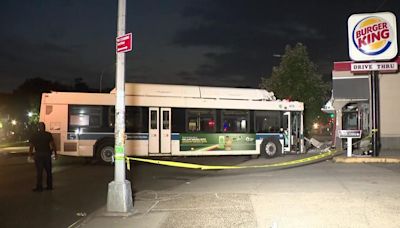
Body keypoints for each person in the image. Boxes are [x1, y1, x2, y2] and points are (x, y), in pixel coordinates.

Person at [28, 122, 57, 192]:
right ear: (44, 127)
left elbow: (31, 146)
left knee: (39, 172)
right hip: (47, 154)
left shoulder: (34, 135)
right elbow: (53, 144)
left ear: (38, 127)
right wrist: (55, 153)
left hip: (38, 155)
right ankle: (49, 186)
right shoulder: (48, 134)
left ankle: (39, 187)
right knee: (48, 171)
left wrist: (30, 155)